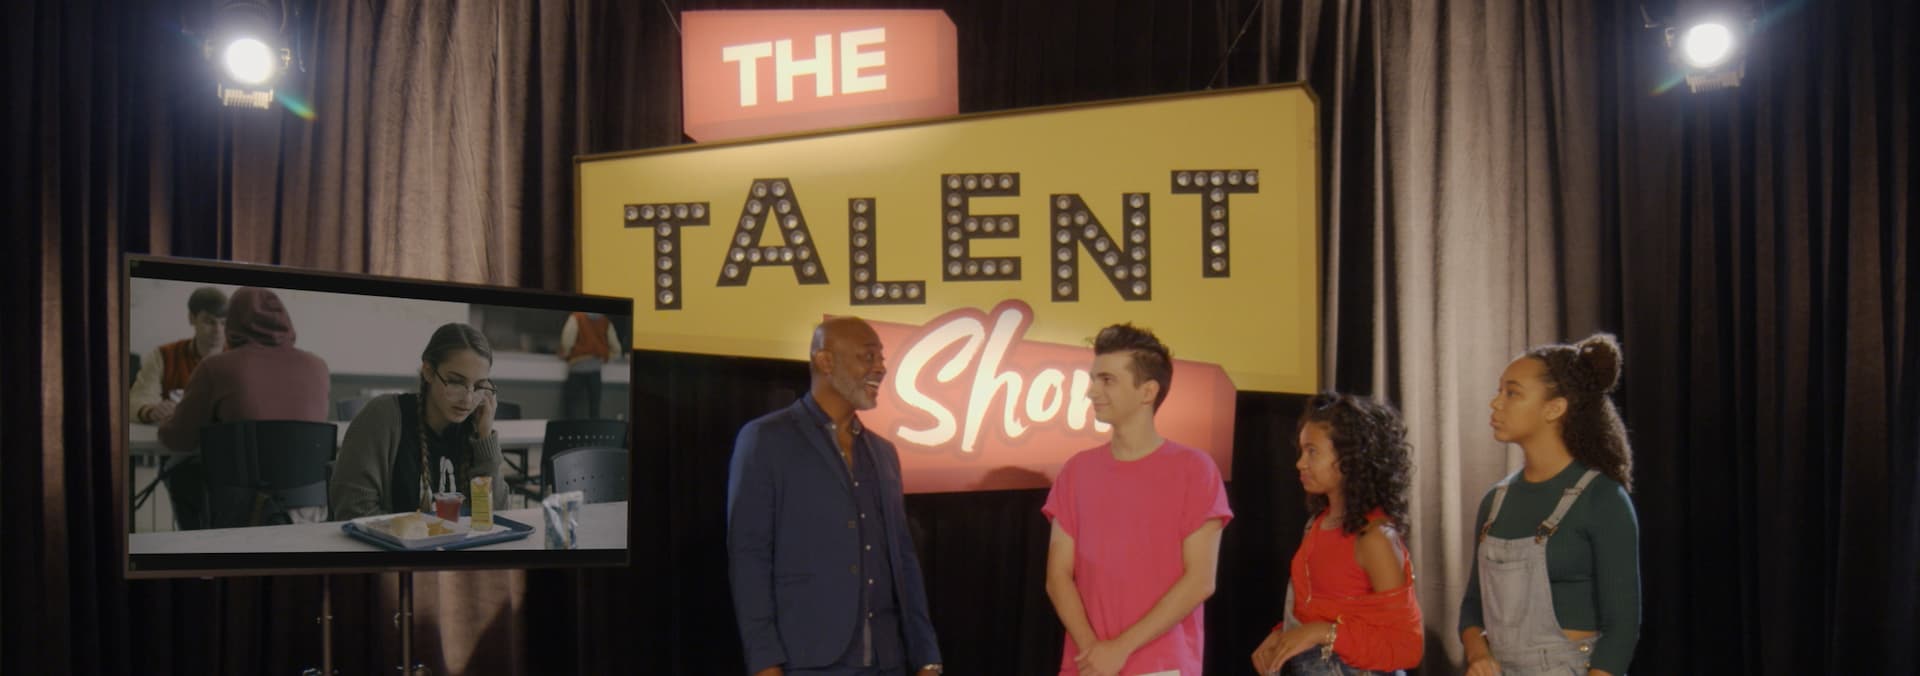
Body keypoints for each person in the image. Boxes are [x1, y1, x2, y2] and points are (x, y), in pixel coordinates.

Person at [727, 317, 943, 676]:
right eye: (868, 356)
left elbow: (903, 558)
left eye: (881, 357)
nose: (881, 368)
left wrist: (927, 657)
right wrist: (764, 661)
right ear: (825, 361)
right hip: (808, 661)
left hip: (886, 661)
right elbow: (749, 557)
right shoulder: (766, 440)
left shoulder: (883, 452)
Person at [1042, 323, 1232, 676]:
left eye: (1107, 380)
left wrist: (1120, 649)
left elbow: (1200, 580)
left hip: (1163, 665)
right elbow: (1057, 576)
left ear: (1147, 391)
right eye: (1093, 379)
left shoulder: (1195, 469)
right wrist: (1094, 652)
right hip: (1087, 664)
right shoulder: (1076, 471)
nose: (1092, 391)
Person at [1460, 334, 1641, 676]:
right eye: (1499, 391)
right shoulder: (1495, 501)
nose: (1495, 403)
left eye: (1512, 393)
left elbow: (1622, 628)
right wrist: (1477, 654)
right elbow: (1472, 605)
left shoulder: (1602, 499)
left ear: (1555, 408)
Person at [1252, 392, 1422, 676]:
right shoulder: (1317, 525)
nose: (1300, 463)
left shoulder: (1375, 538)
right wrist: (1285, 634)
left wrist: (1321, 632)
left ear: (1350, 458)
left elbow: (1405, 647)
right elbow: (1321, 611)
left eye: (1312, 451)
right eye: (1301, 451)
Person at [158, 287, 332, 525]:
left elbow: (178, 440)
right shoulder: (318, 367)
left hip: (242, 512)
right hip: (310, 512)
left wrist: (166, 417)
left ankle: (196, 547)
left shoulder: (215, 367)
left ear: (232, 322)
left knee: (180, 473)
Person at [329, 323, 507, 521]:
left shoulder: (474, 428)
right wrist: (421, 535)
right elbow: (353, 510)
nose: (468, 399)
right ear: (428, 371)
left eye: (479, 386)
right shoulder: (383, 416)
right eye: (456, 382)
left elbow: (496, 517)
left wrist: (485, 437)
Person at [131, 286, 228, 424]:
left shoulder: (241, 359)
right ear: (191, 318)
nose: (218, 330)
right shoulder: (163, 355)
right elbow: (137, 399)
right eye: (209, 322)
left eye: (224, 323)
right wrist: (150, 411)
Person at [558, 311, 623, 419]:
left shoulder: (576, 317)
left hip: (577, 368)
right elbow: (617, 349)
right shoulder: (605, 321)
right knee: (594, 408)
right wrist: (605, 357)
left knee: (570, 406)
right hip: (595, 371)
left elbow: (567, 342)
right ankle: (594, 429)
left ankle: (570, 429)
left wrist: (565, 354)